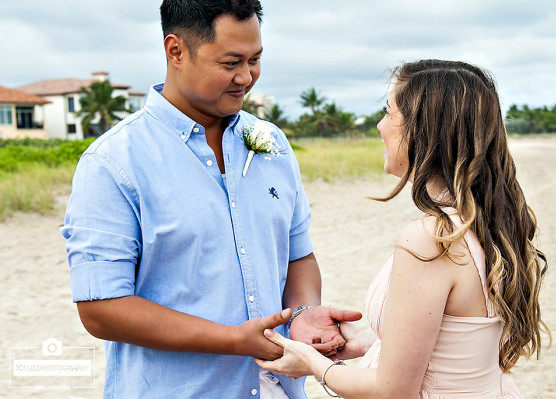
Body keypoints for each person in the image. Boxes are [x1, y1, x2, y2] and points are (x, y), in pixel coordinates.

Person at [60, 1, 360, 398]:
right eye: (230, 62)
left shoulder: (272, 144)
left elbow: (297, 255)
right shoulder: (113, 162)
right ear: (176, 51)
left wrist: (303, 314)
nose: (246, 77)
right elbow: (101, 308)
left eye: (255, 60)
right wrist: (233, 340)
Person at [256, 60, 551, 398]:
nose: (380, 126)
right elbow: (452, 350)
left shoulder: (431, 239)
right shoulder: (485, 222)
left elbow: (392, 391)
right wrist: (367, 345)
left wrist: (311, 362)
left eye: (389, 112)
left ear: (422, 130)